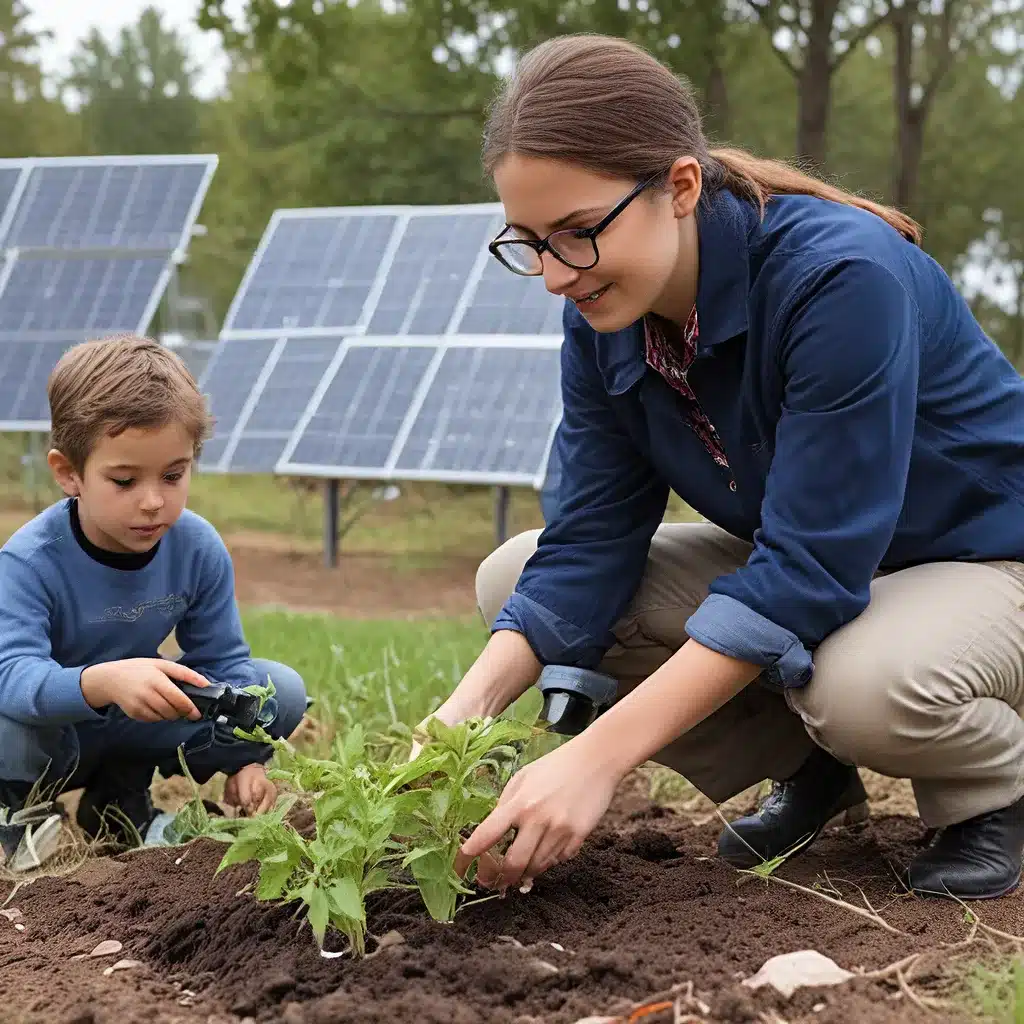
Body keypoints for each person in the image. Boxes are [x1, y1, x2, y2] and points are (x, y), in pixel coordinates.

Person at [426, 33, 1024, 902]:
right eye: (529, 242)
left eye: (577, 233)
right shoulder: (604, 307)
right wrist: (454, 726)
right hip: (840, 570)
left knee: (861, 685)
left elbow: (808, 572)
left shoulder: (839, 279)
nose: (555, 275)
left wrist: (596, 759)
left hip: (984, 562)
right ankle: (812, 777)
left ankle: (993, 791)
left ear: (680, 186)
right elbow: (592, 538)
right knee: (512, 578)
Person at [0, 335, 307, 871]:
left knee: (278, 691)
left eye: (173, 475)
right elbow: (14, 676)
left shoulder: (196, 546)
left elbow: (225, 663)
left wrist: (247, 757)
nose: (153, 501)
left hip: (137, 722)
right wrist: (104, 681)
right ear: (68, 472)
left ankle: (120, 801)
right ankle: (20, 813)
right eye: (124, 480)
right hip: (52, 734)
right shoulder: (30, 560)